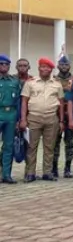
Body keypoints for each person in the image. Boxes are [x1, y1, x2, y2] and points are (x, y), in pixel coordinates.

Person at [19, 58, 64, 183]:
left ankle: (47, 173)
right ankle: (30, 173)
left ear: (51, 69)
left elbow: (61, 103)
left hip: (51, 118)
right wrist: (23, 119)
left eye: (48, 67)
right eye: (43, 67)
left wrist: (61, 121)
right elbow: (24, 101)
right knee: (31, 147)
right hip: (33, 118)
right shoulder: (30, 83)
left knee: (49, 147)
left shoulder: (57, 84)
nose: (45, 69)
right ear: (39, 68)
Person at [52, 55, 73, 179]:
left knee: (70, 143)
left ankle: (68, 168)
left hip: (70, 114)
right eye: (62, 64)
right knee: (55, 143)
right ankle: (54, 168)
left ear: (69, 66)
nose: (64, 67)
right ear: (58, 66)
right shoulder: (53, 80)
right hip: (56, 114)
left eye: (66, 65)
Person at [0, 54, 21, 184]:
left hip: (11, 114)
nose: (4, 66)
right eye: (1, 64)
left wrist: (19, 119)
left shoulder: (14, 81)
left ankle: (6, 174)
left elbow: (19, 101)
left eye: (6, 64)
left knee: (8, 146)